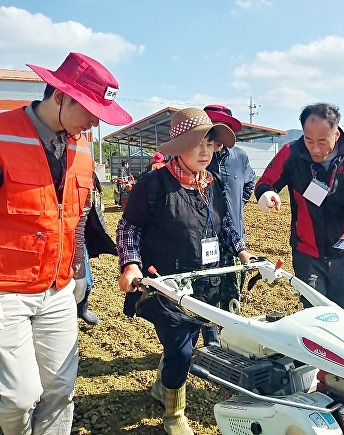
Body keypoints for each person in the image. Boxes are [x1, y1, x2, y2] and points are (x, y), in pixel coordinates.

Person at [0, 52, 131, 434]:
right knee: (18, 397)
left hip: (58, 287)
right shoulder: (3, 136)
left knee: (60, 388)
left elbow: (75, 215)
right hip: (7, 289)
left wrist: (76, 267)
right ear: (60, 96)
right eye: (89, 109)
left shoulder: (83, 147)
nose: (95, 120)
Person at [116, 107, 252, 434]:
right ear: (178, 147)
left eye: (210, 143)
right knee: (181, 348)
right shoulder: (154, 184)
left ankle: (162, 386)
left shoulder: (214, 184)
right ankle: (174, 415)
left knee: (188, 339)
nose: (205, 151)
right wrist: (130, 264)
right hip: (166, 284)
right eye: (197, 144)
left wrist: (242, 250)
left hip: (205, 281)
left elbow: (227, 226)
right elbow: (128, 228)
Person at [254, 102, 344, 312]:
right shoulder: (292, 152)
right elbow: (267, 181)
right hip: (306, 252)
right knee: (314, 313)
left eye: (322, 141)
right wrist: (266, 193)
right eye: (309, 140)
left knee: (342, 313)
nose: (315, 149)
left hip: (343, 252)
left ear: (336, 134)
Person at [201, 104, 255, 346]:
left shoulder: (239, 157)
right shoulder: (198, 157)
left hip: (235, 239)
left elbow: (250, 183)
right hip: (204, 242)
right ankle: (211, 342)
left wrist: (236, 206)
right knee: (205, 294)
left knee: (232, 291)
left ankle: (230, 341)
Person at [78, 171, 118, 324]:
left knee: (86, 283)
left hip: (78, 236)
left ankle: (82, 309)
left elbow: (96, 203)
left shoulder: (87, 171)